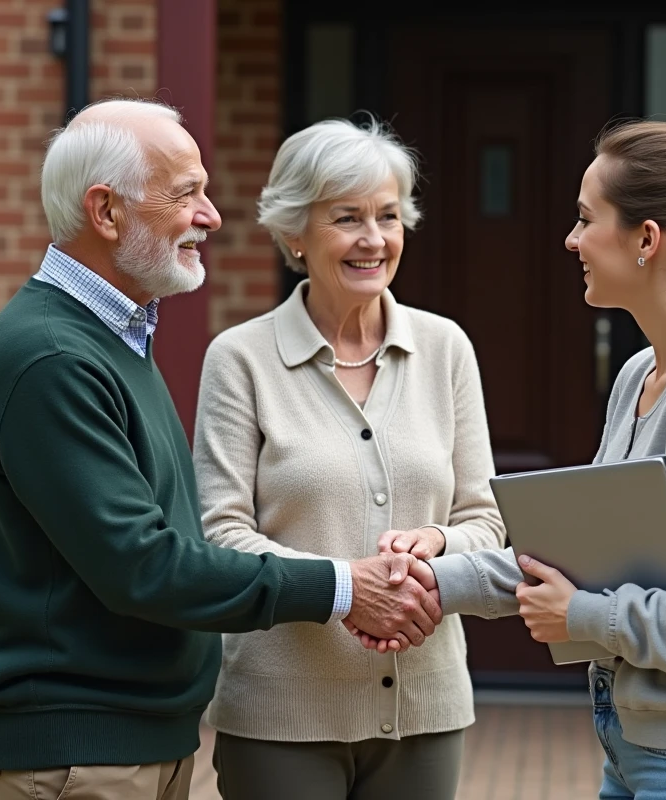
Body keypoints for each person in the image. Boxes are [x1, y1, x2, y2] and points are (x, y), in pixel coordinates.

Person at [0, 98, 442, 800]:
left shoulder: (112, 340)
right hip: (76, 757)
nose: (210, 216)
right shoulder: (52, 358)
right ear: (107, 211)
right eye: (187, 195)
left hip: (125, 746)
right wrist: (342, 588)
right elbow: (143, 565)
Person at [363, 120, 666, 800]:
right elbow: (582, 558)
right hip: (640, 747)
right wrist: (435, 583)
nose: (572, 239)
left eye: (586, 219)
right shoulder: (642, 375)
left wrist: (584, 616)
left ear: (646, 240)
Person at [191, 117, 506, 800]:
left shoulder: (446, 349)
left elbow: (485, 519)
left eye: (388, 216)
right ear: (293, 233)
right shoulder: (240, 360)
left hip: (425, 707)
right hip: (281, 714)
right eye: (347, 218)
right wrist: (347, 588)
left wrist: (434, 548)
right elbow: (221, 536)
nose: (374, 239)